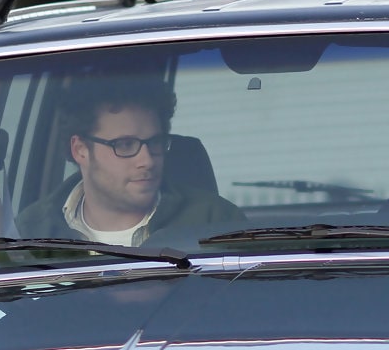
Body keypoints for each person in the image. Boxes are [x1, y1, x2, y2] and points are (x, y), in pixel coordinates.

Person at [17, 76, 243, 245]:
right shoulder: (28, 232)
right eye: (125, 145)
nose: (147, 160)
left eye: (154, 142)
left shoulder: (217, 222)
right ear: (81, 150)